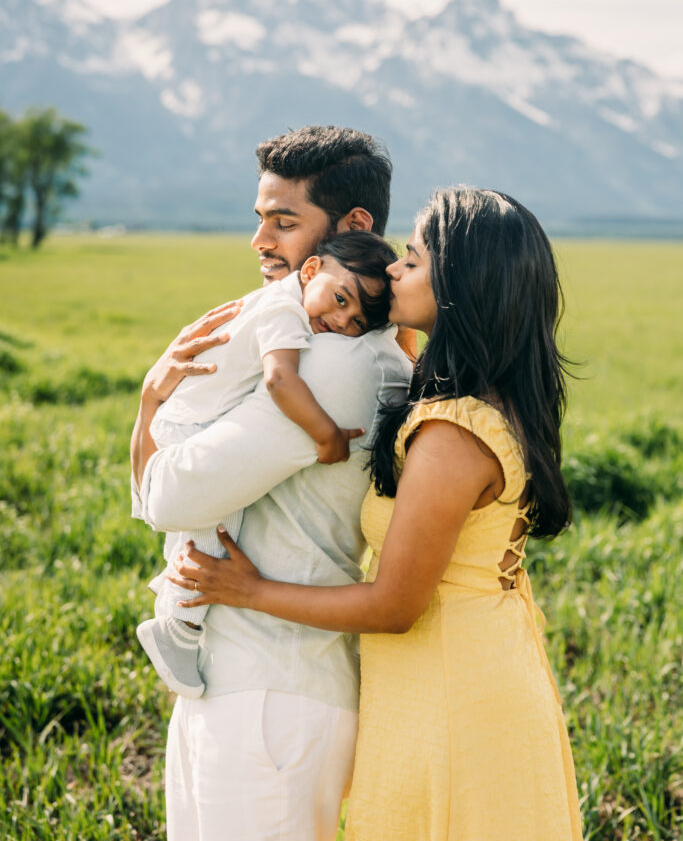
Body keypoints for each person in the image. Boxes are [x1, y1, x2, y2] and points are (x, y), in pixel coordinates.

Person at [169, 187, 584, 841]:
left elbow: (395, 605)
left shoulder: (452, 436)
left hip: (449, 690)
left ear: (460, 289)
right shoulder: (480, 401)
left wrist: (248, 591)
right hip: (471, 668)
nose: (393, 269)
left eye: (413, 261)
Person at [130, 125, 413, 841]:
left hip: (269, 695)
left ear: (351, 227)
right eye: (260, 218)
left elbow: (167, 501)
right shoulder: (317, 339)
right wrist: (150, 402)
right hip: (238, 678)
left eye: (282, 221)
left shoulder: (337, 367)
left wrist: (151, 408)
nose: (260, 241)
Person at [134, 232, 398, 700]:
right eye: (339, 301)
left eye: (357, 320)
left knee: (210, 524)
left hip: (272, 686)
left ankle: (177, 623)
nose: (340, 321)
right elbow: (280, 379)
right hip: (190, 423)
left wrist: (149, 402)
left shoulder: (320, 336)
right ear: (312, 271)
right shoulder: (284, 310)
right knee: (210, 528)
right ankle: (177, 623)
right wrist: (326, 435)